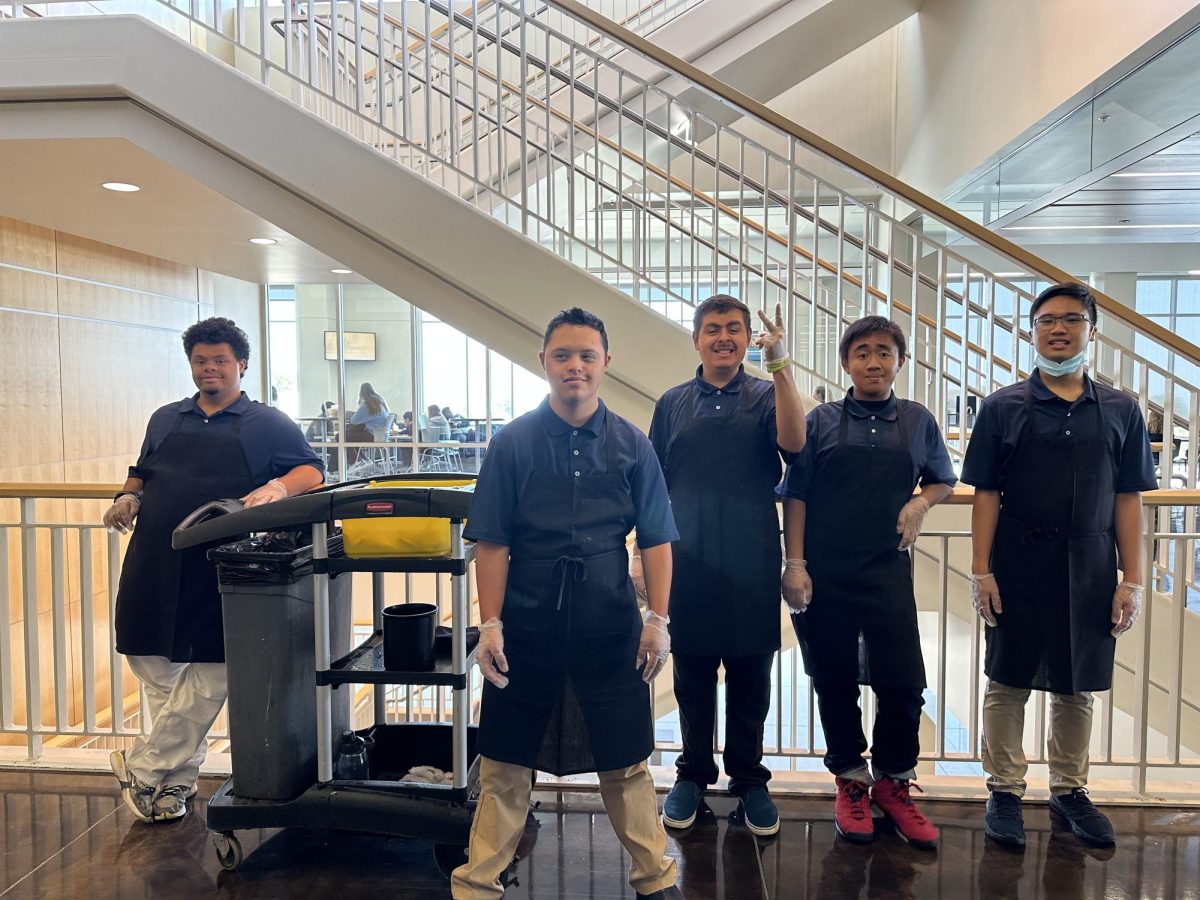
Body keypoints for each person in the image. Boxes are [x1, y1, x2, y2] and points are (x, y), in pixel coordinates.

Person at [451, 308, 682, 900]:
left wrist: (657, 619)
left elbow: (656, 539)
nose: (574, 366)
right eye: (562, 355)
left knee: (625, 760)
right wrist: (491, 625)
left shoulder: (632, 444)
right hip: (527, 620)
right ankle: (477, 883)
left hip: (609, 620)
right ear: (544, 364)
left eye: (586, 355)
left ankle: (656, 878)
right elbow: (493, 542)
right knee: (504, 763)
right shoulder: (512, 443)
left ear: (606, 363)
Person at [101, 317, 324, 823]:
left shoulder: (268, 422)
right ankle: (171, 789)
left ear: (241, 364)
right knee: (157, 672)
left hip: (221, 564)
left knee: (214, 670)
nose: (210, 369)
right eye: (201, 361)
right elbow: (141, 472)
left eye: (220, 360)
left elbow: (312, 469)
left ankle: (145, 766)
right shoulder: (165, 417)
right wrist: (127, 496)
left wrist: (278, 489)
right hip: (155, 558)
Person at [961, 282, 1156, 850]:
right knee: (1007, 680)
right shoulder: (1002, 407)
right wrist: (980, 570)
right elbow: (986, 494)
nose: (1058, 329)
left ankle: (1070, 791)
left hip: (1090, 564)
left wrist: (1133, 580)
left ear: (1091, 331)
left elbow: (1128, 498)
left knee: (1077, 685)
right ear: (1031, 331)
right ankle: (1004, 791)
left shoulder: (1120, 409)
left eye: (1071, 320)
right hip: (1016, 563)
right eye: (1046, 320)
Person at [779, 315, 955, 849]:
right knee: (834, 680)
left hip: (887, 571)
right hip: (826, 571)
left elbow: (944, 478)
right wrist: (796, 563)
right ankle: (851, 782)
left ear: (899, 362)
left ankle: (895, 785)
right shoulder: (823, 421)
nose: (873, 362)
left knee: (902, 683)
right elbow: (797, 493)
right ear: (845, 363)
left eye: (884, 352)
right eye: (862, 353)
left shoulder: (918, 420)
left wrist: (920, 502)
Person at [648, 295, 806, 836]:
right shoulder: (672, 402)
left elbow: (794, 441)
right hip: (687, 561)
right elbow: (653, 488)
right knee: (691, 676)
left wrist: (780, 362)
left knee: (750, 677)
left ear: (746, 339)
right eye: (712, 329)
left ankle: (749, 778)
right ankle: (691, 773)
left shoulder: (765, 395)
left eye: (734, 329)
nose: (723, 337)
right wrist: (640, 555)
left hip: (752, 557)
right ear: (695, 340)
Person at [347, 383, 389, 463]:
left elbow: (353, 420)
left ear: (362, 393)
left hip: (373, 435)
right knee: (348, 435)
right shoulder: (380, 403)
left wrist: (352, 414)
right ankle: (363, 460)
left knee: (343, 436)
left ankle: (358, 462)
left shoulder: (367, 405)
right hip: (381, 436)